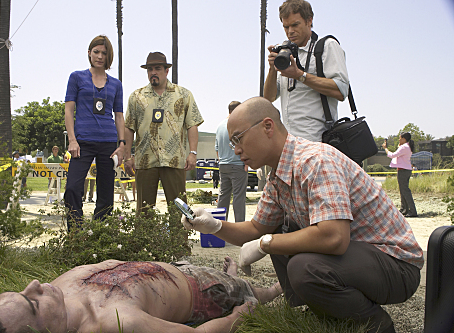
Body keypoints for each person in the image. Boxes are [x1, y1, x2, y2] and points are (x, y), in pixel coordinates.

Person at [182, 97, 424, 333]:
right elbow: (256, 228)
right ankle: (324, 310)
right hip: (360, 258)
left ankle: (375, 325)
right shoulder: (277, 176)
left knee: (303, 266)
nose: (235, 150)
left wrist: (266, 244)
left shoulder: (315, 161)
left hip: (396, 263)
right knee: (278, 231)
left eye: (238, 138)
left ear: (268, 126)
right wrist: (213, 226)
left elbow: (334, 238)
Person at [0, 257, 282, 333]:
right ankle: (273, 289)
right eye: (30, 301)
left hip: (170, 267)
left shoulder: (55, 296)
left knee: (225, 277)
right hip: (201, 290)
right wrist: (239, 315)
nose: (35, 283)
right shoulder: (118, 323)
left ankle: (232, 276)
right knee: (252, 293)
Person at [124, 52, 203, 212]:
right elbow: (129, 128)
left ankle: (180, 238)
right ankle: (144, 238)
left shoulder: (183, 95)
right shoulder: (136, 97)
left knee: (180, 209)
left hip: (173, 160)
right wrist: (127, 156)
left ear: (166, 71)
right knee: (144, 210)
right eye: (150, 69)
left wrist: (193, 153)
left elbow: (192, 125)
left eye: (157, 68)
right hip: (145, 161)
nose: (153, 72)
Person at [263, 0, 349, 142]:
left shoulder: (327, 46)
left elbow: (341, 90)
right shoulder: (286, 54)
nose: (290, 31)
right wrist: (272, 69)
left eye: (295, 25)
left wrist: (300, 75)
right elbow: (269, 98)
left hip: (318, 143)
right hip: (289, 143)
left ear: (309, 20)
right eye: (285, 26)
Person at [63, 35, 126, 231]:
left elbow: (119, 115)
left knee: (106, 193)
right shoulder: (76, 77)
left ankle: (101, 235)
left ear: (109, 57)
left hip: (107, 142)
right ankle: (76, 234)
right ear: (89, 53)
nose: (99, 56)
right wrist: (72, 140)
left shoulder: (116, 84)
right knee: (73, 187)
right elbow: (68, 110)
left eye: (104, 53)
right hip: (82, 143)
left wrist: (122, 144)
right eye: (96, 52)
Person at [215, 101, 248, 222]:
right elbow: (244, 146)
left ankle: (219, 225)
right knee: (238, 198)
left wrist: (222, 162)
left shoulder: (219, 126)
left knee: (223, 196)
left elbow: (217, 148)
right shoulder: (237, 126)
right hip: (237, 165)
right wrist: (246, 163)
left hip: (223, 165)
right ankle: (240, 227)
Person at [382, 133, 418, 217]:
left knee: (405, 191)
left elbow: (392, 155)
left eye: (400, 138)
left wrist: (385, 148)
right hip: (405, 170)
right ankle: (404, 209)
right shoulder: (406, 147)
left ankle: (412, 211)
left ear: (404, 139)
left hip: (403, 171)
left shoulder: (404, 147)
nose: (399, 139)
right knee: (403, 190)